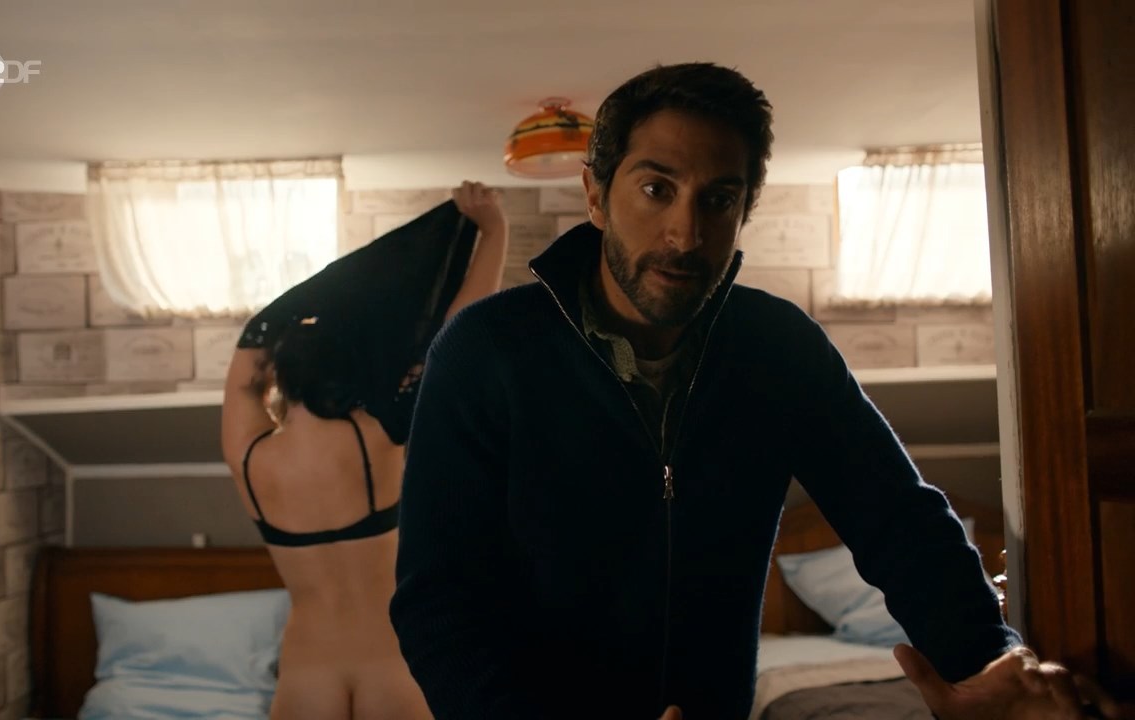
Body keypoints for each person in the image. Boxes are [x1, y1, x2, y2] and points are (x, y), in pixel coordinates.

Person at [389, 64, 1122, 720]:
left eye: (719, 198)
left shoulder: (779, 347)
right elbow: (437, 602)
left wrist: (988, 664)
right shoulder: (485, 351)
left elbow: (900, 521)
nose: (685, 233)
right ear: (596, 195)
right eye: (656, 189)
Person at [221, 181, 508, 720]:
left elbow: (251, 345)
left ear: (278, 375)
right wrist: (493, 231)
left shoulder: (249, 459)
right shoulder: (379, 433)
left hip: (305, 675)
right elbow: (457, 337)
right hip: (395, 666)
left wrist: (311, 299)